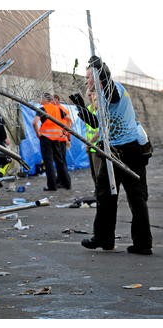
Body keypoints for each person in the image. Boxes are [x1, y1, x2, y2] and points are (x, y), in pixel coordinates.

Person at [75, 56, 153, 255]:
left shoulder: (114, 90)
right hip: (115, 151)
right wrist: (81, 109)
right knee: (105, 194)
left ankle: (142, 243)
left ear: (99, 77)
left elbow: (111, 92)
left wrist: (101, 70)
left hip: (129, 150)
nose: (86, 81)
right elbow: (98, 123)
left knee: (136, 198)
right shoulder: (101, 98)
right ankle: (104, 238)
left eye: (89, 77)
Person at [32, 92, 72, 191]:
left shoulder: (42, 109)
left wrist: (38, 133)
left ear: (46, 100)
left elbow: (34, 122)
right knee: (60, 161)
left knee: (48, 162)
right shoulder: (58, 108)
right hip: (58, 138)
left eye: (41, 98)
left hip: (46, 138)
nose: (40, 100)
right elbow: (69, 120)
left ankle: (52, 186)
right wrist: (65, 133)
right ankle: (67, 183)